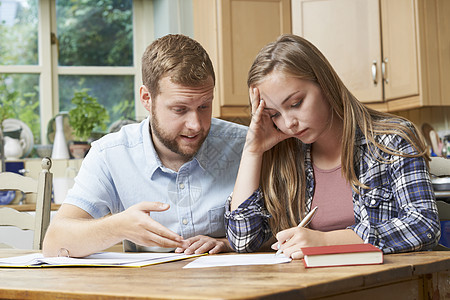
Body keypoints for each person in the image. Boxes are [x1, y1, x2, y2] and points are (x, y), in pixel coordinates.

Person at [225, 34, 440, 259]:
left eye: (296, 103)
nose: (289, 123)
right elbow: (243, 241)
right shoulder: (286, 154)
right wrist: (252, 151)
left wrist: (326, 241)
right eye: (274, 114)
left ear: (325, 84)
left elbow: (423, 225)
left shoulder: (391, 140)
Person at [43, 34, 248, 257]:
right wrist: (117, 227)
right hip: (145, 290)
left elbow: (282, 230)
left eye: (204, 107)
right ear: (146, 99)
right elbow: (54, 244)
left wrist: (229, 243)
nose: (195, 125)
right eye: (180, 109)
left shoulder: (245, 146)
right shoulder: (110, 154)